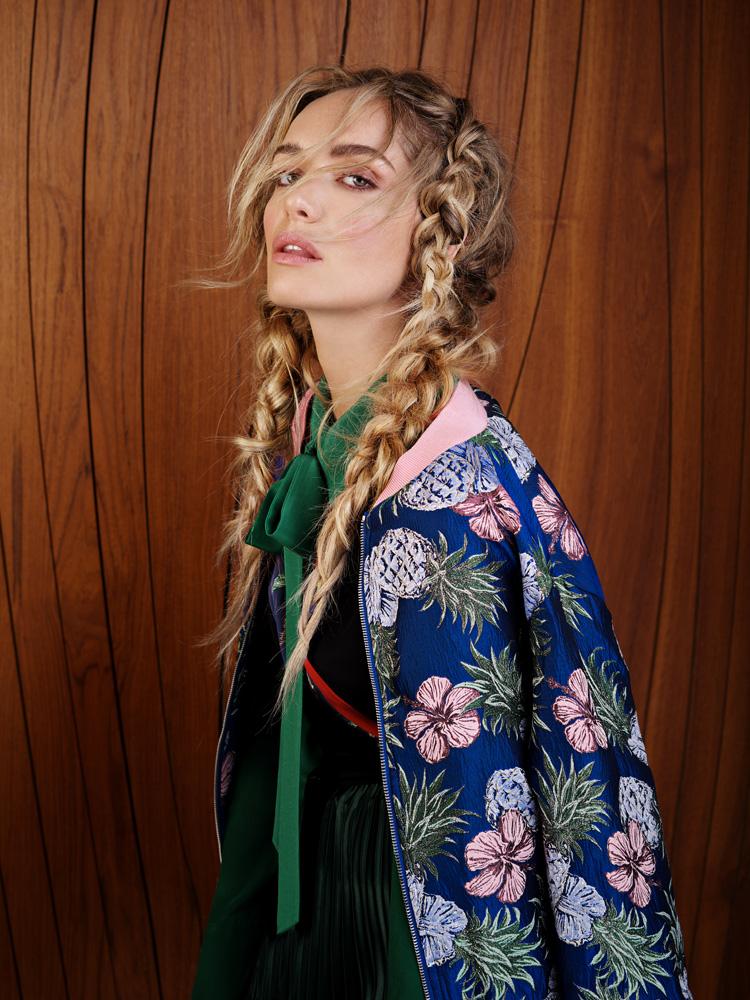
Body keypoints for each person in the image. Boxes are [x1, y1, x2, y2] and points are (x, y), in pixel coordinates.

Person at [189, 65, 692, 999]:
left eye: (355, 176)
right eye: (287, 172)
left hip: (424, 920)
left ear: (440, 233)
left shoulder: (462, 495)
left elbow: (504, 807)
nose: (296, 200)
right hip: (308, 895)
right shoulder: (315, 430)